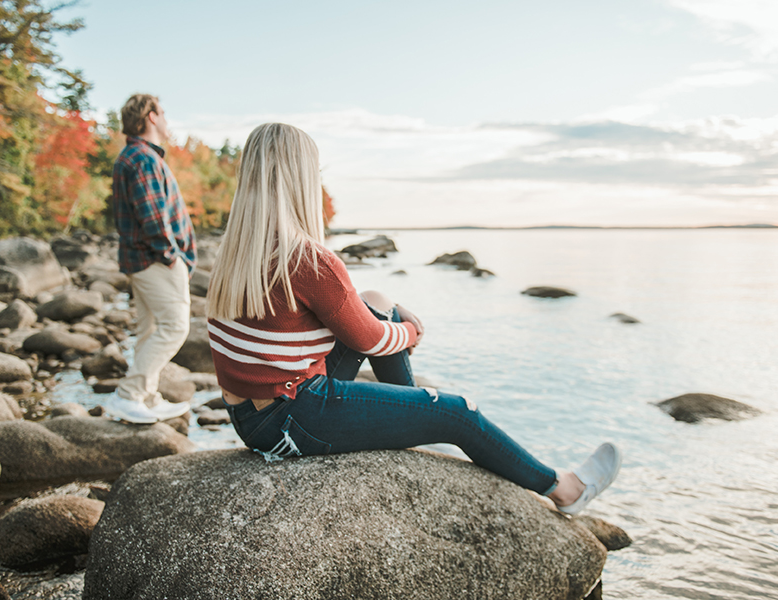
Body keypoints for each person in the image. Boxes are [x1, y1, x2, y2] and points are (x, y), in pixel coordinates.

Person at [206, 123, 620, 515]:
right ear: (302, 180)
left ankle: (414, 423)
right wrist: (411, 330)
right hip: (293, 420)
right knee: (460, 412)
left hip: (254, 417)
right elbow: (370, 340)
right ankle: (565, 489)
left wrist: (391, 313)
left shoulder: (236, 255)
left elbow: (356, 314)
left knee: (377, 300)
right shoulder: (307, 259)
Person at [107, 94, 196, 424]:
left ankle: (146, 396)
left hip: (142, 260)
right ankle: (128, 395)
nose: (167, 120)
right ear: (151, 116)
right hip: (154, 260)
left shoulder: (134, 156)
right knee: (175, 327)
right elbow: (153, 217)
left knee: (150, 330)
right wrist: (172, 256)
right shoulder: (142, 158)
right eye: (164, 113)